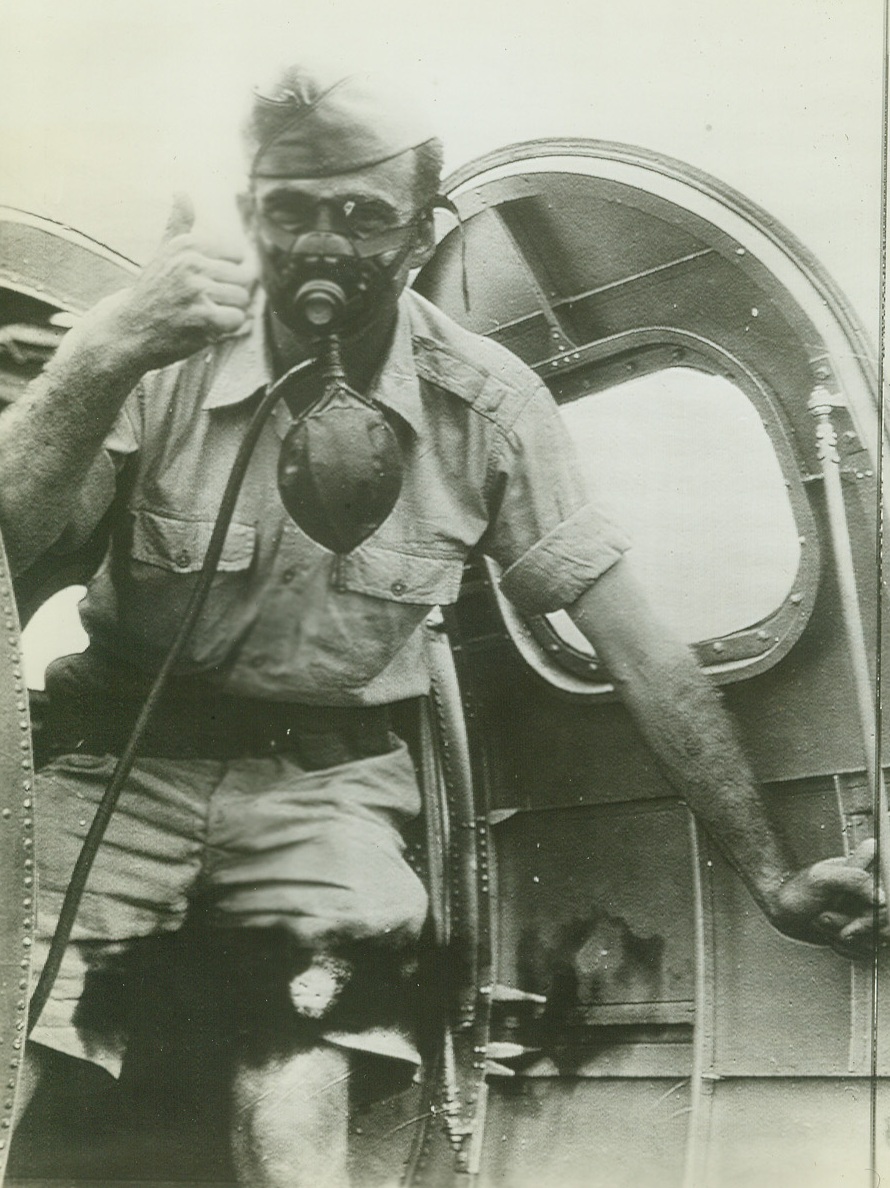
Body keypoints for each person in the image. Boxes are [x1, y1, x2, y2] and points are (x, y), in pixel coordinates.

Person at [0, 63, 884, 1188]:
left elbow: (640, 653)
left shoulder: (489, 405)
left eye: (365, 217)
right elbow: (10, 543)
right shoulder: (157, 350)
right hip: (112, 757)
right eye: (292, 211)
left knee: (302, 1084)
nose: (325, 249)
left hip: (324, 794)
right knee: (13, 1044)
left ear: (425, 232)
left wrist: (772, 878)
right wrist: (103, 351)